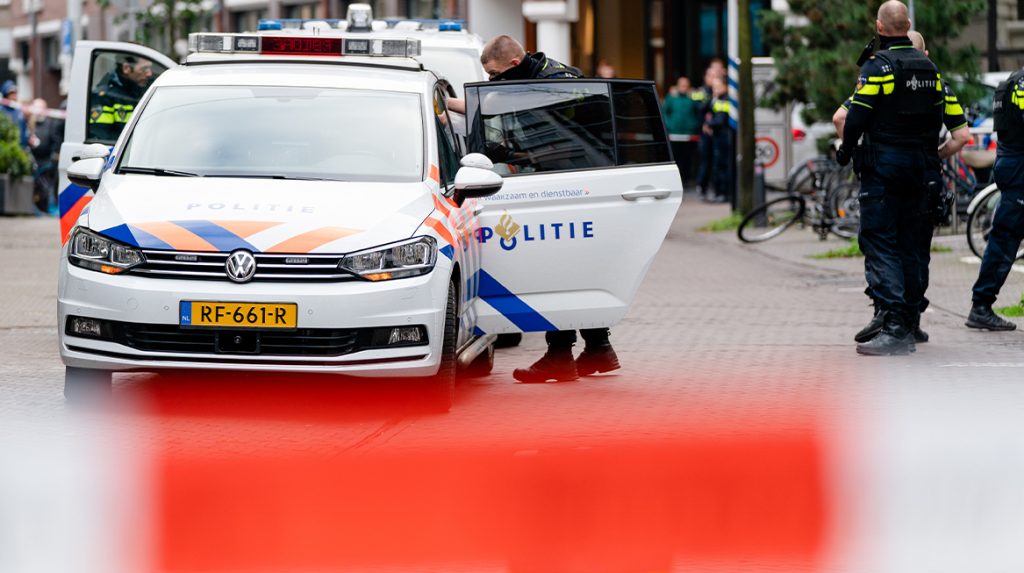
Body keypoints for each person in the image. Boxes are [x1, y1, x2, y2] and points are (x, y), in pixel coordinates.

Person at [836, 0, 967, 355]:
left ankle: (893, 327)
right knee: (914, 246)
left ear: (879, 28)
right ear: (906, 23)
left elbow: (856, 116)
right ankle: (909, 322)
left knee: (881, 242)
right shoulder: (932, 70)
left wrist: (846, 151)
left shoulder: (879, 69)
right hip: (924, 171)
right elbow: (956, 128)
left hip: (886, 171)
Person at [965, 64, 1024, 331]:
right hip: (1020, 168)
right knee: (1004, 241)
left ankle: (982, 304)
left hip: (1010, 163)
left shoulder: (1009, 83)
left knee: (1004, 239)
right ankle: (981, 305)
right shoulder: (1020, 87)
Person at [446, 35, 581, 114]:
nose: (492, 79)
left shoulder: (547, 84)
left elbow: (486, 107)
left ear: (515, 63)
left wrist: (444, 102)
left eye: (494, 73)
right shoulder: (533, 72)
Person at [89, 55, 153, 142]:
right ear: (126, 68)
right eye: (144, 69)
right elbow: (101, 138)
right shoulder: (105, 96)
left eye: (150, 68)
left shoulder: (142, 90)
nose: (149, 74)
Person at [693, 60, 725, 199]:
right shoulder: (702, 92)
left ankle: (717, 189)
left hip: (717, 131)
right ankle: (702, 186)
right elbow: (697, 108)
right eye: (710, 75)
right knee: (705, 160)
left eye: (716, 75)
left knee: (718, 161)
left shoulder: (720, 94)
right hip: (705, 132)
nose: (713, 78)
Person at [662, 76, 701, 184]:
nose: (684, 88)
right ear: (678, 86)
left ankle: (686, 180)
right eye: (682, 85)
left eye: (686, 86)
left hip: (689, 134)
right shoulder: (671, 97)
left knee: (687, 158)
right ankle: (675, 180)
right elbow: (664, 112)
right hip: (674, 134)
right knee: (675, 158)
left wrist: (694, 124)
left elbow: (700, 111)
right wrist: (670, 125)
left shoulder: (693, 97)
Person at [28, 98, 64, 214]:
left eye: (40, 108)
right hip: (33, 160)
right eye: (36, 108)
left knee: (48, 187)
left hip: (48, 162)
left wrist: (54, 155)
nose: (38, 111)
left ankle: (49, 208)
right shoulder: (30, 123)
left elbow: (56, 139)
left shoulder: (51, 123)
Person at [704, 78, 734, 204]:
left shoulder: (725, 100)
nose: (715, 90)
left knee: (722, 166)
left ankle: (723, 193)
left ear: (725, 87)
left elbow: (721, 120)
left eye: (718, 87)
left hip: (723, 137)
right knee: (718, 166)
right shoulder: (717, 99)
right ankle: (719, 192)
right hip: (719, 137)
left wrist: (709, 124)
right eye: (714, 87)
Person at [1, 80, 29, 148]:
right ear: (6, 95)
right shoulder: (1, 111)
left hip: (21, 148)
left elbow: (25, 129)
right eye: (11, 93)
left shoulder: (19, 110)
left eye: (15, 93)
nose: (14, 96)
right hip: (6, 148)